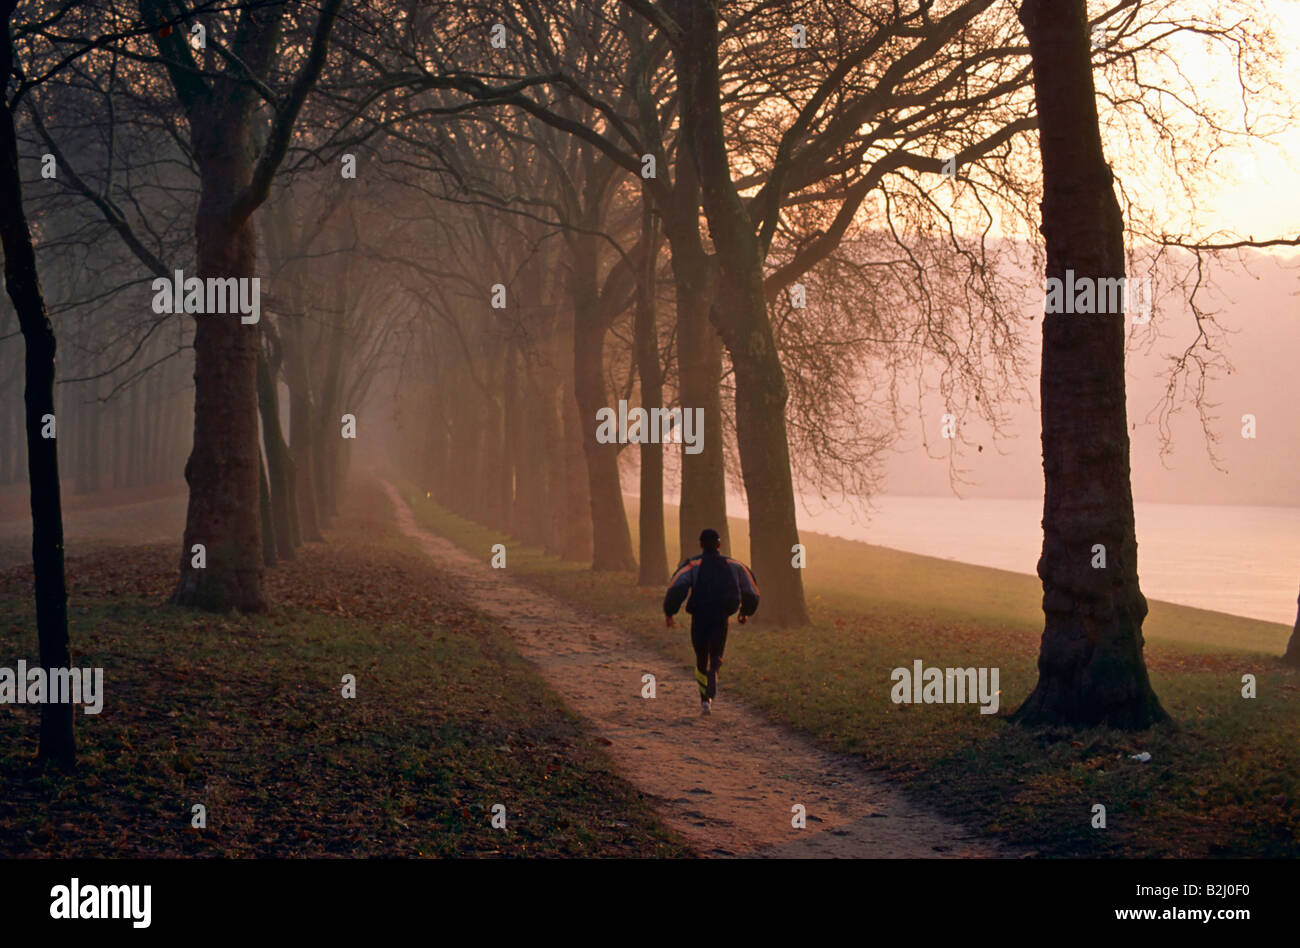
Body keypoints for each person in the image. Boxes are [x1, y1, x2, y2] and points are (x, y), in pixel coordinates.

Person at [663, 528, 759, 715]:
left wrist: (670, 612)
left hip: (699, 615)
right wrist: (745, 611)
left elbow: (677, 587)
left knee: (700, 656)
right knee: (716, 651)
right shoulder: (734, 564)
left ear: (700, 545)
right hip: (721, 615)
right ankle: (714, 669)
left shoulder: (692, 565)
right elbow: (751, 589)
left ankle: (704, 700)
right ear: (719, 545)